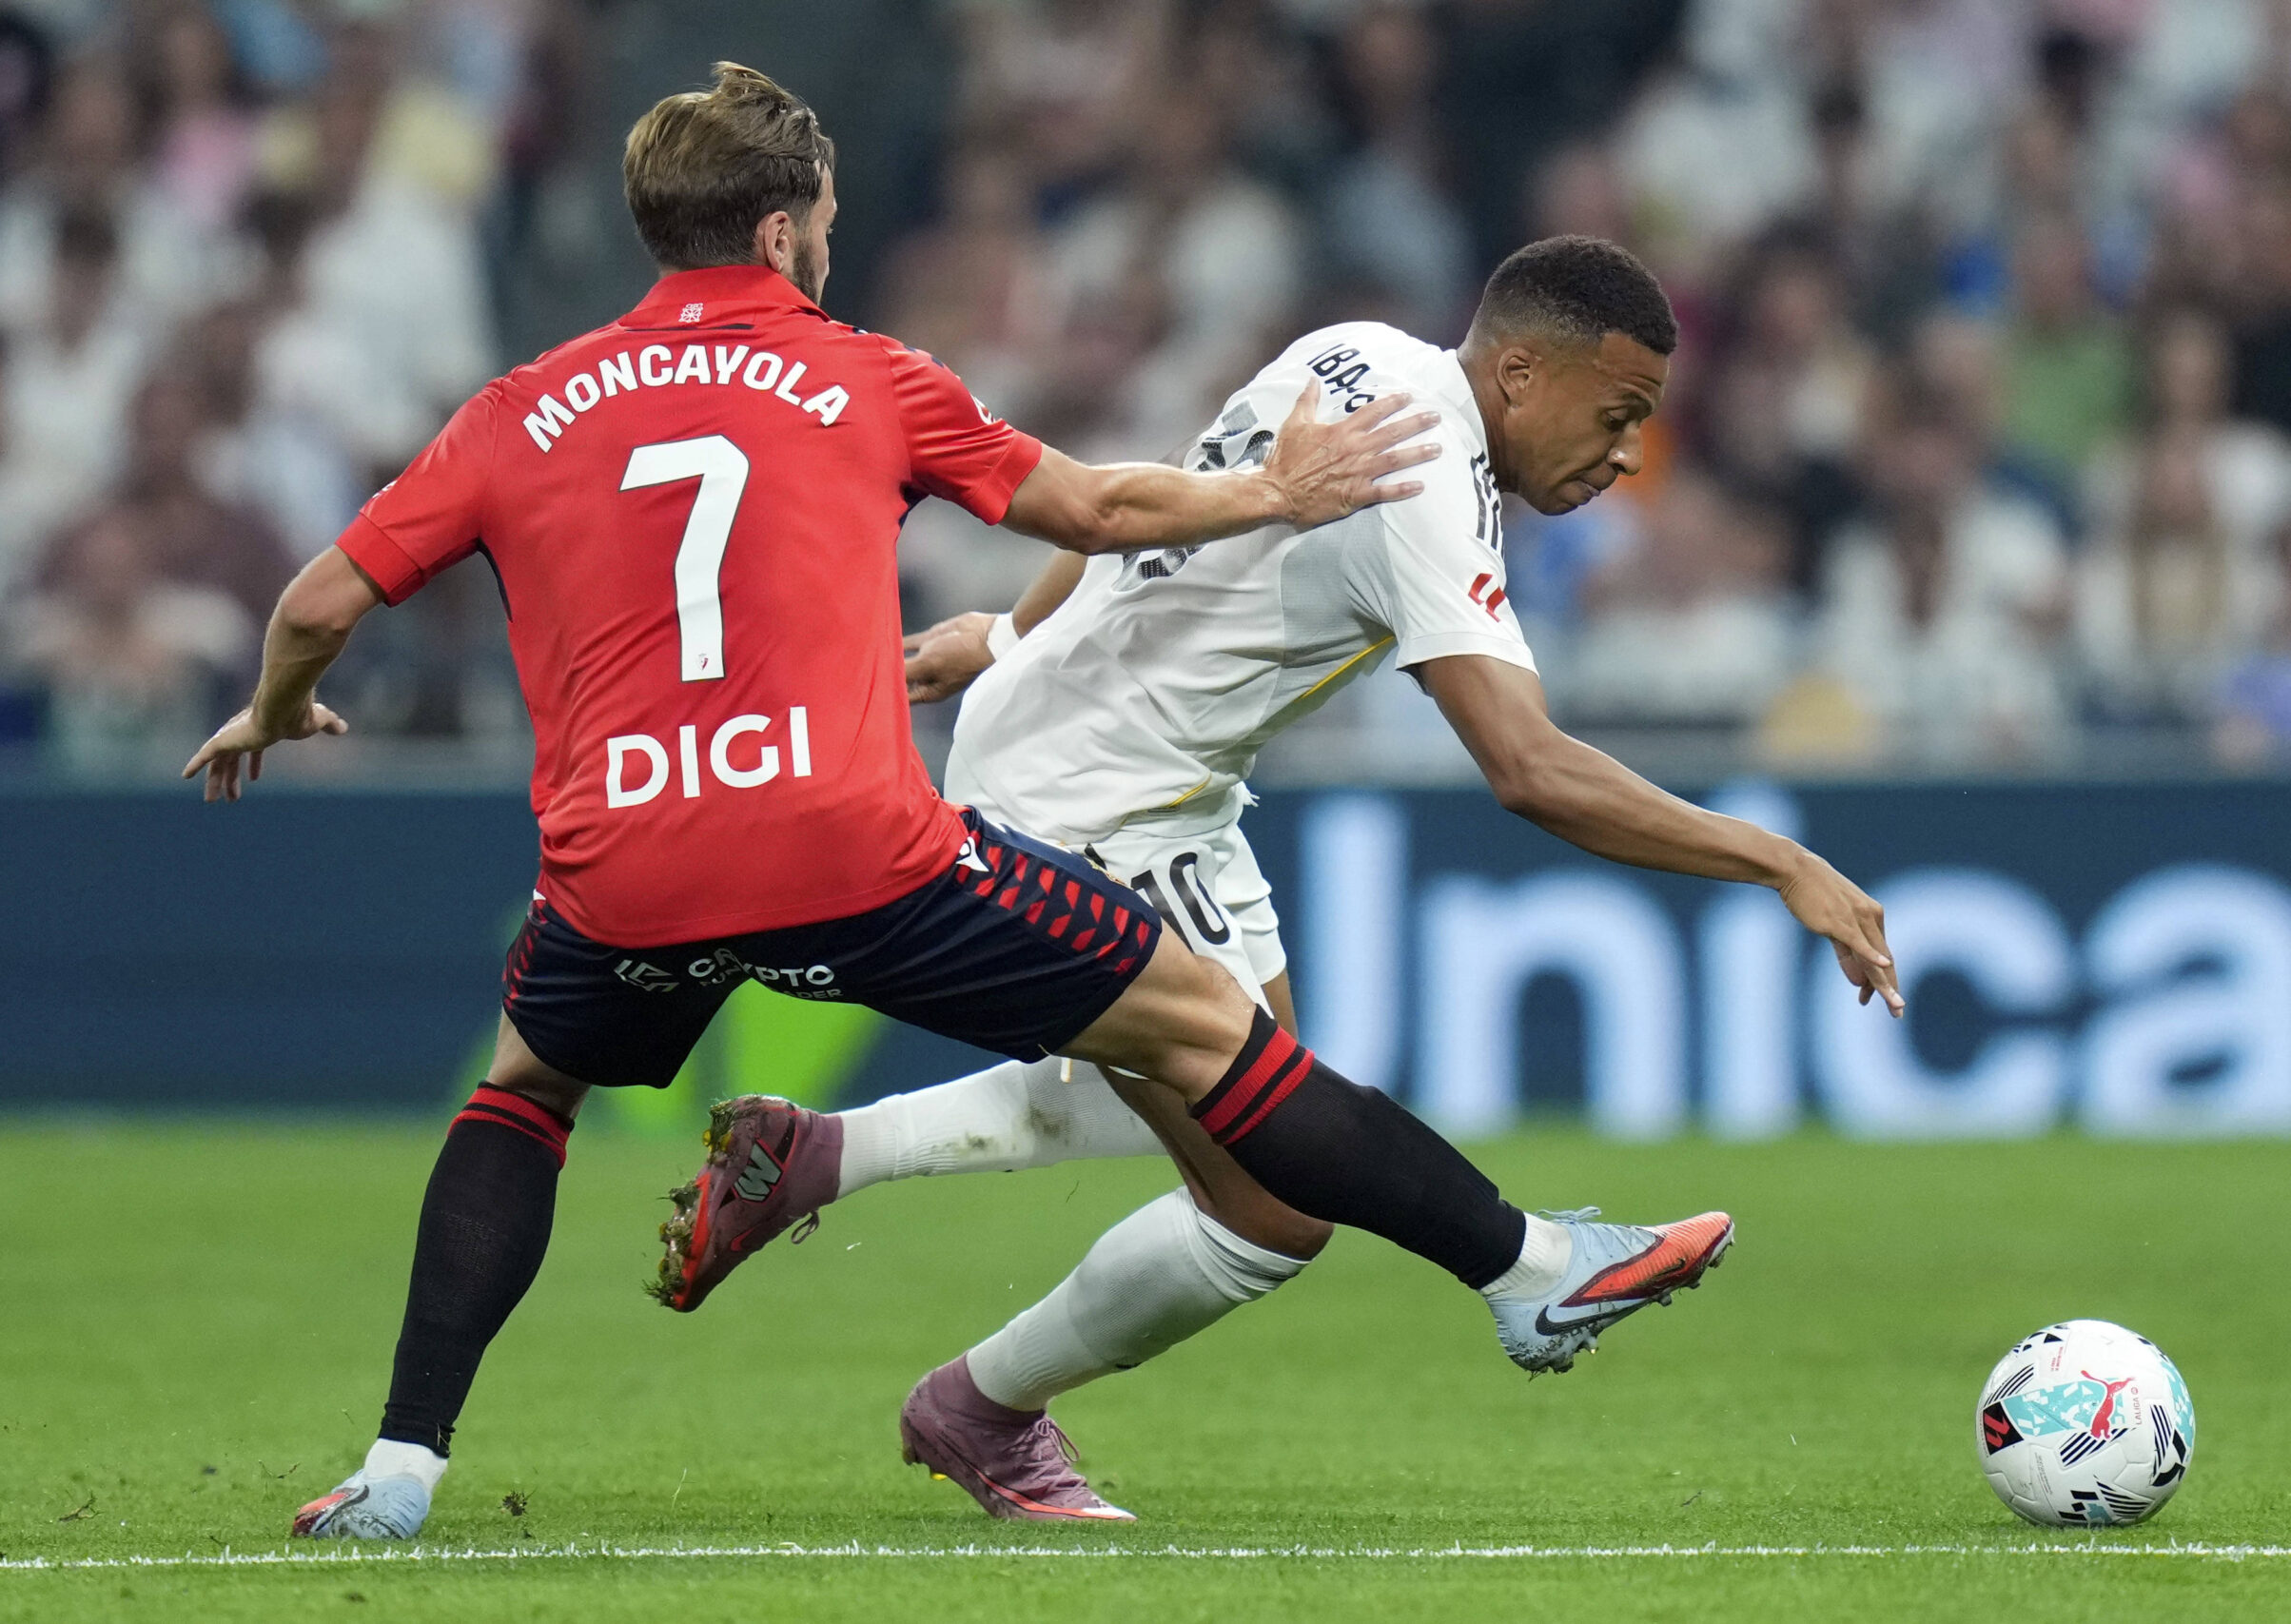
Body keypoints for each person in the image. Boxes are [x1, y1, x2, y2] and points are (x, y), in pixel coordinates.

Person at [180, 64, 1655, 1543]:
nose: (829, 243)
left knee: (520, 1097)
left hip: (622, 871)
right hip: (858, 856)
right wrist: (1273, 493)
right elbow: (1098, 509)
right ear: (778, 234)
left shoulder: (520, 407)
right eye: (823, 220)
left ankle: (400, 1468)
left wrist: (278, 703)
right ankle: (1527, 1267)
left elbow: (317, 602)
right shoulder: (863, 375)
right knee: (1215, 1032)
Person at [661, 236, 1907, 1521]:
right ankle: (982, 1405)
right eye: (1620, 412)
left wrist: (1016, 636)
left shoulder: (1356, 351)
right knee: (1271, 1200)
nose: (1631, 454)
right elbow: (1530, 768)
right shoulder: (1425, 483)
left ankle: (815, 1155)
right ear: (1523, 374)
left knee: (1212, 1092)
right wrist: (1779, 860)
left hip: (1157, 785)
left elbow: (1156, 495)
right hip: (1090, 798)